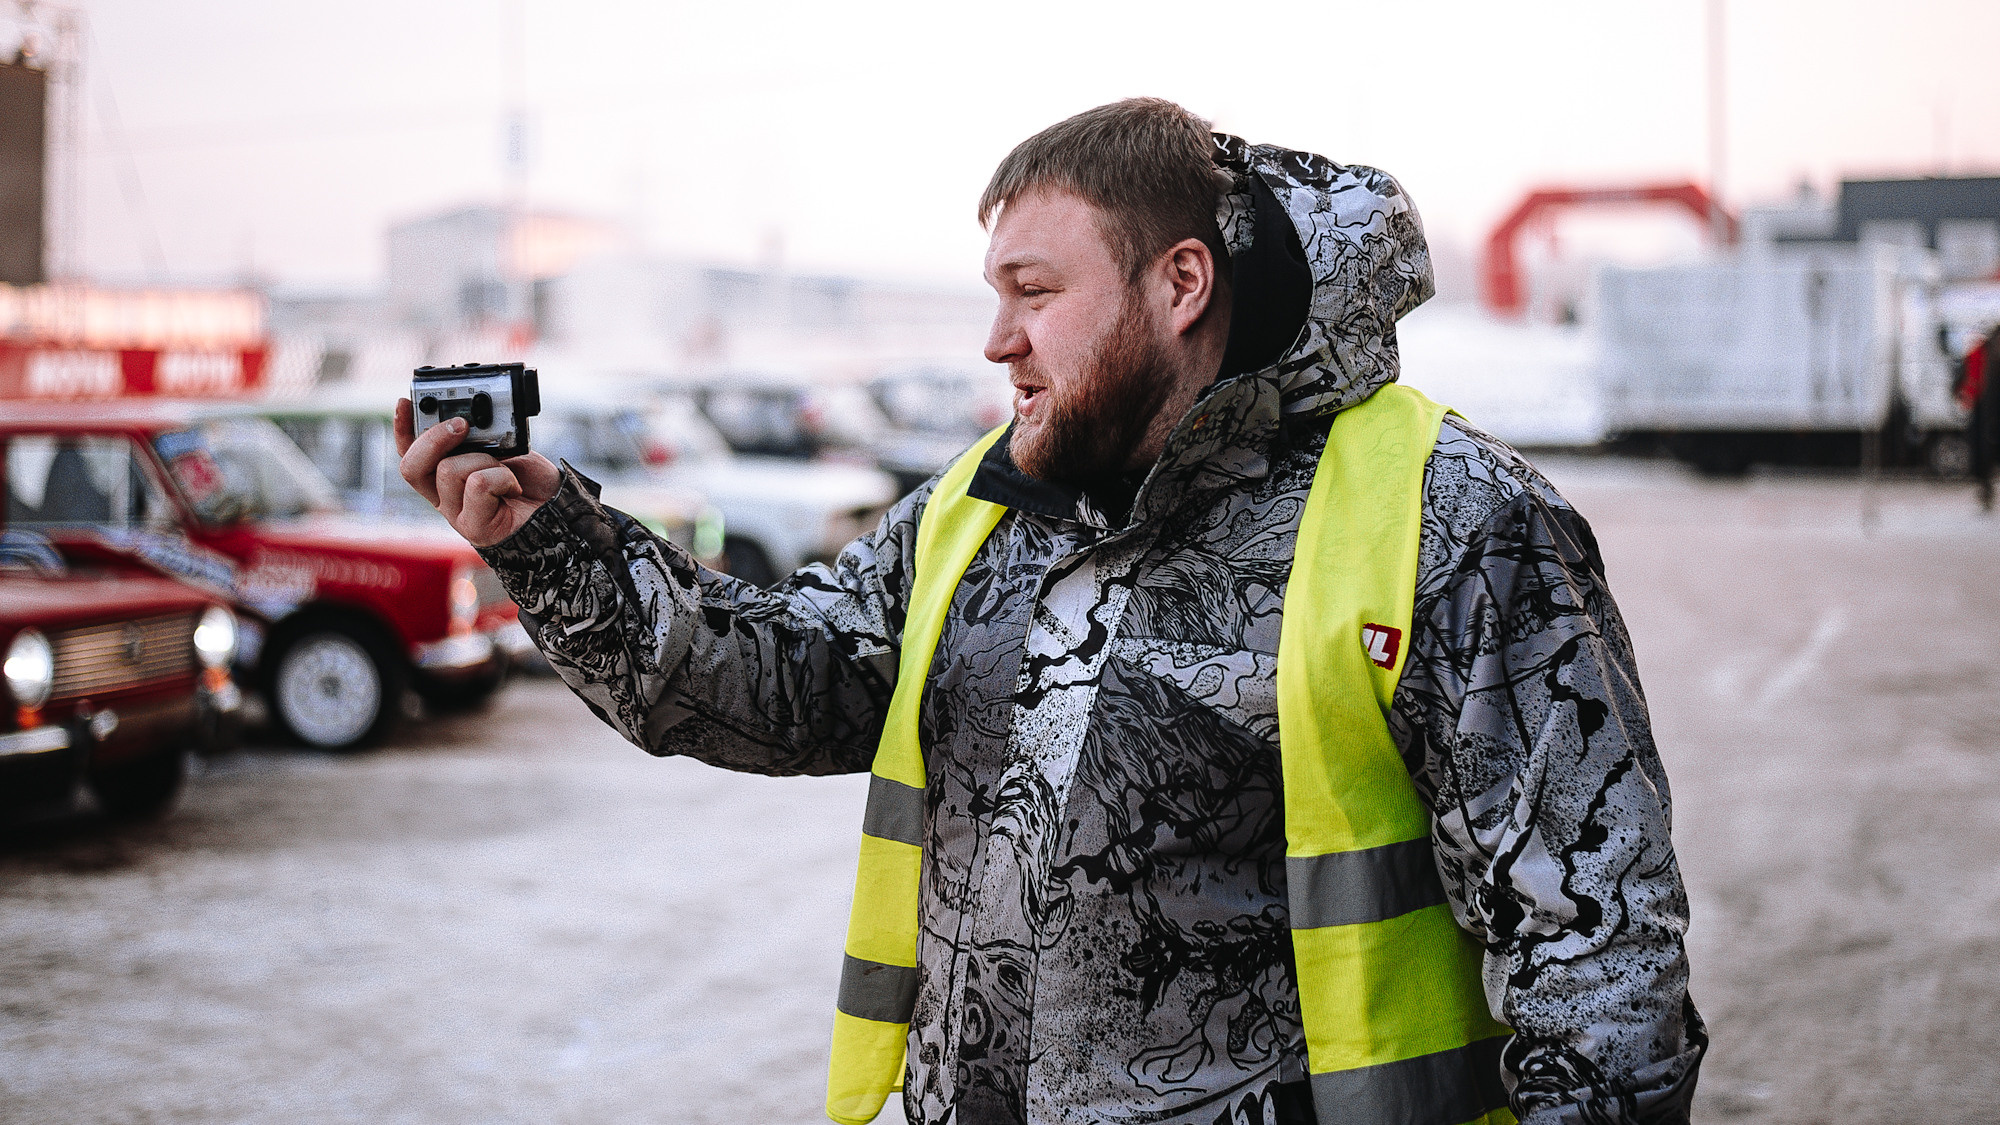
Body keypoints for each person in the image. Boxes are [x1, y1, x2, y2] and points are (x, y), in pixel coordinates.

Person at [398, 99, 1704, 1125]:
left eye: (1034, 292)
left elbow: (1595, 950)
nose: (995, 339)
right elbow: (772, 682)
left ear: (1179, 283)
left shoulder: (1449, 511)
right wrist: (547, 533)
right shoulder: (987, 502)